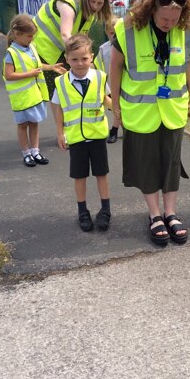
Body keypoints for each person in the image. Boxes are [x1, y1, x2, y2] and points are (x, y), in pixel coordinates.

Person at [109, 0, 190, 246]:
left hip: (172, 108)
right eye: (163, 18)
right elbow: (115, 67)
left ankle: (171, 213)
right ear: (151, 9)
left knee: (171, 163)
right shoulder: (125, 28)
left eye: (174, 19)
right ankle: (155, 214)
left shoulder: (189, 24)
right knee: (147, 164)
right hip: (139, 110)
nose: (168, 23)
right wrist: (115, 106)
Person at [52, 34, 112, 232]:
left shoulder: (100, 77)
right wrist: (60, 132)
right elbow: (57, 106)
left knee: (101, 173)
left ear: (92, 57)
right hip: (76, 137)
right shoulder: (60, 83)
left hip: (97, 135)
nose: (79, 63)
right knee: (80, 176)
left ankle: (105, 210)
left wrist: (120, 111)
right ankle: (82, 211)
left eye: (84, 58)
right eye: (74, 59)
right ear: (67, 59)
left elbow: (106, 99)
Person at [2, 14, 65, 167]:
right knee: (23, 125)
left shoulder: (31, 47)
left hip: (34, 95)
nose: (31, 39)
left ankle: (35, 151)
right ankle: (26, 153)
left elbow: (36, 65)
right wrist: (30, 74)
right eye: (29, 36)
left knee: (34, 123)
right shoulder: (11, 53)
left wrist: (51, 67)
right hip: (22, 98)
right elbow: (8, 75)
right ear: (17, 34)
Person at [33, 0, 112, 96]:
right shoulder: (68, 6)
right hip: (43, 50)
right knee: (56, 94)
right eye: (92, 1)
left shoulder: (89, 15)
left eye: (99, 3)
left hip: (63, 52)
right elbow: (66, 34)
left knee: (69, 91)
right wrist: (81, 58)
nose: (95, 6)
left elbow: (82, 38)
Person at [93, 15, 122, 143]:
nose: (114, 36)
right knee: (116, 108)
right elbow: (98, 67)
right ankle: (118, 129)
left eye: (117, 33)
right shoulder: (103, 49)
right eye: (111, 33)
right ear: (106, 32)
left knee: (123, 107)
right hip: (110, 85)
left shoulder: (125, 47)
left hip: (125, 83)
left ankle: (115, 130)